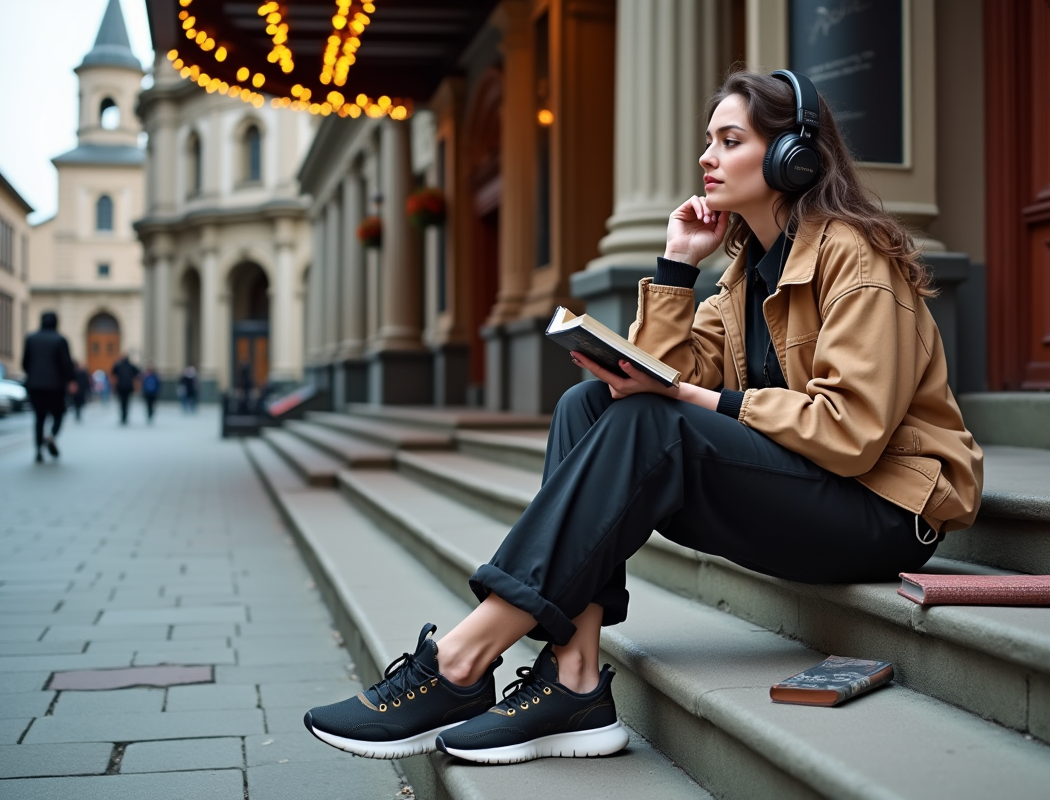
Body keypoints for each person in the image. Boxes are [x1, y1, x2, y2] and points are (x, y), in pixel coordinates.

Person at [304, 69, 984, 765]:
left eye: (730, 140)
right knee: (588, 403)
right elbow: (667, 377)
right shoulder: (746, 273)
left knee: (654, 422)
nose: (706, 158)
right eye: (709, 141)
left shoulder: (855, 256)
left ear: (793, 157)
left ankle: (460, 659)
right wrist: (676, 268)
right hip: (800, 493)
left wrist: (691, 400)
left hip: (880, 513)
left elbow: (849, 434)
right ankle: (573, 683)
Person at [22, 311, 76, 463]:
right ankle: (51, 436)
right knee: (59, 414)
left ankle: (38, 449)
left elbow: (25, 363)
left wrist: (34, 375)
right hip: (55, 386)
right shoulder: (60, 340)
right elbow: (66, 364)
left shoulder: (31, 339)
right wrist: (71, 380)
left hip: (35, 386)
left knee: (39, 417)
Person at [111, 353, 140, 425]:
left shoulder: (118, 365)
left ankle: (123, 417)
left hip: (120, 387)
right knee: (127, 402)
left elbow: (113, 376)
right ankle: (125, 417)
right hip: (128, 387)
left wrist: (114, 386)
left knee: (122, 402)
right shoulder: (131, 366)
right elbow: (137, 375)